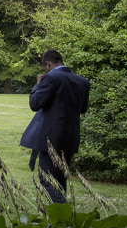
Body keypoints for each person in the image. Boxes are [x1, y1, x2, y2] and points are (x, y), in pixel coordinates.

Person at [26, 49, 90, 203]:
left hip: (50, 139)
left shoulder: (51, 78)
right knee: (60, 181)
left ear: (47, 64)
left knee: (47, 180)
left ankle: (62, 214)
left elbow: (35, 103)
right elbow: (83, 108)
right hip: (70, 139)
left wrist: (37, 85)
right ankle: (60, 222)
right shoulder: (82, 81)